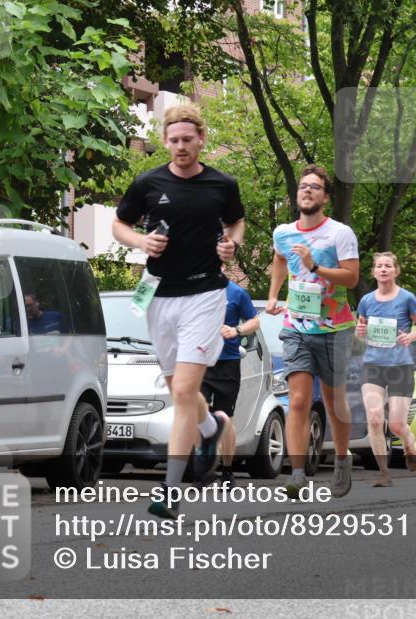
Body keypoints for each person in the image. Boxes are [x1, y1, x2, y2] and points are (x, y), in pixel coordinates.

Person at [112, 102, 244, 519]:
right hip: (158, 295)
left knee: (185, 392)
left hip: (205, 294)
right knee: (178, 391)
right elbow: (119, 223)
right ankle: (211, 428)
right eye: (174, 141)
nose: (181, 147)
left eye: (188, 139)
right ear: (165, 143)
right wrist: (140, 242)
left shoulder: (222, 184)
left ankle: (170, 491)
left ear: (201, 139)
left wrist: (231, 243)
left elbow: (236, 222)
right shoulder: (147, 182)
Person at [266, 164, 359, 499]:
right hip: (296, 326)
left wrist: (315, 267)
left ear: (325, 197)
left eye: (315, 187)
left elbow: (351, 278)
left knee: (334, 403)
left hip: (335, 329)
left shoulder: (340, 233)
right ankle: (297, 473)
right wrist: (275, 294)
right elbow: (279, 259)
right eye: (303, 186)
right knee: (300, 399)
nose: (307, 190)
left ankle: (341, 459)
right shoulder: (283, 233)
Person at [355, 252, 416, 487]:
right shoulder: (366, 301)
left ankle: (409, 443)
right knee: (375, 418)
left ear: (396, 271)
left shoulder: (407, 298)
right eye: (379, 266)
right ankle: (383, 473)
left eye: (388, 266)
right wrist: (359, 334)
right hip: (373, 365)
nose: (383, 269)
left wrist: (410, 336)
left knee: (397, 424)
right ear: (374, 271)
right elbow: (362, 332)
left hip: (400, 366)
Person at [203, 280, 260, 490]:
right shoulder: (194, 288)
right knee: (196, 411)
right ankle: (203, 470)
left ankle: (227, 472)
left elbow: (254, 322)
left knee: (225, 418)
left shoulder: (236, 292)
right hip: (200, 362)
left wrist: (236, 330)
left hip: (227, 363)